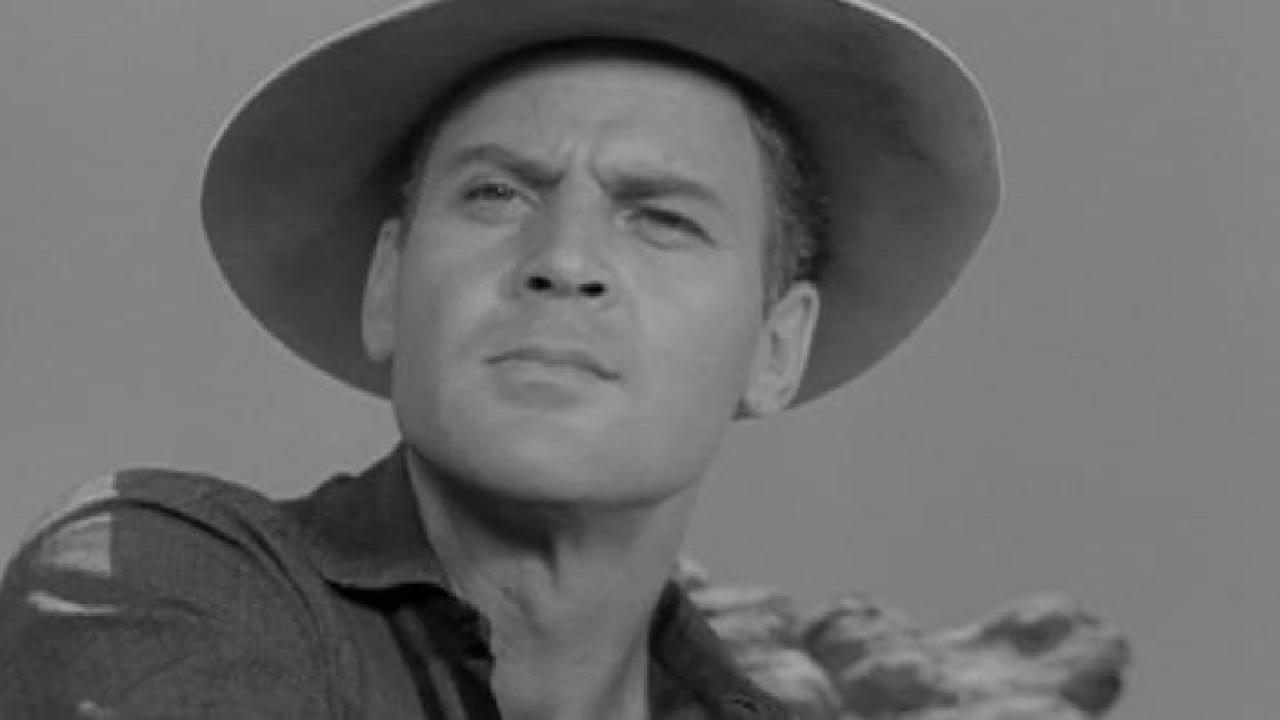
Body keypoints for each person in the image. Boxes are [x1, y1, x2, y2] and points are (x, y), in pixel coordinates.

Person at [0, 0, 1000, 717]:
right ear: (388, 284)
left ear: (775, 347)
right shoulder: (154, 573)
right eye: (495, 194)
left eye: (661, 217)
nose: (564, 260)